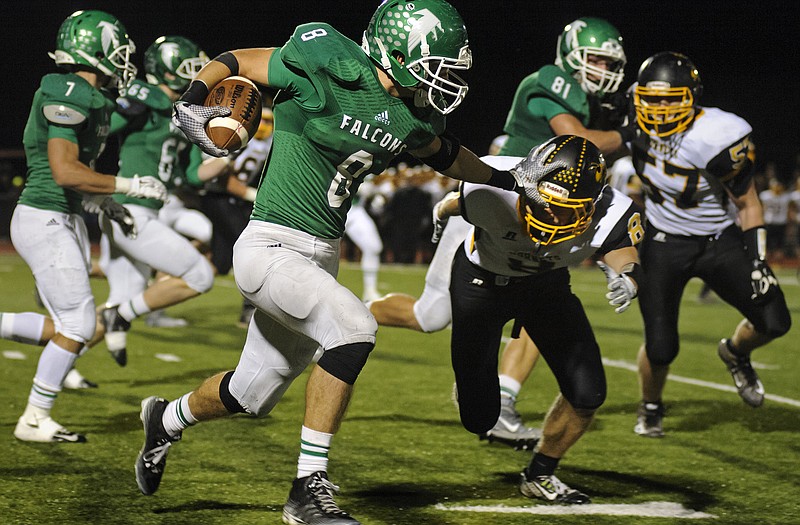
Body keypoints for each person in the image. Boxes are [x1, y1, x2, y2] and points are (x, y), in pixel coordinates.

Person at [134, 2, 535, 523]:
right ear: (397, 50)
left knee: (251, 394)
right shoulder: (329, 59)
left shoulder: (411, 114)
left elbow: (445, 154)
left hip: (321, 256)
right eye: (437, 64)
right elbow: (237, 59)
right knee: (353, 327)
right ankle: (307, 487)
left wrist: (505, 178)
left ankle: (166, 418)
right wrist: (191, 98)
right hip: (270, 244)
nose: (444, 80)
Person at [442, 135, 643, 503]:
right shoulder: (493, 188)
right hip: (480, 284)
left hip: (544, 286)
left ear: (593, 205)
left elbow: (622, 248)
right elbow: (456, 203)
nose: (550, 214)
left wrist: (627, 276)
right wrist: (442, 215)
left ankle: (540, 474)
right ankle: (473, 384)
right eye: (541, 200)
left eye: (566, 210)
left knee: (588, 393)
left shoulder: (612, 211)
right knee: (479, 417)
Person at [9, 10, 167, 443]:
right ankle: (34, 418)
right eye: (116, 49)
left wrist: (104, 201)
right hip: (45, 215)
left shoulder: (92, 98)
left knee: (66, 327)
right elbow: (63, 171)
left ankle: (37, 415)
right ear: (93, 50)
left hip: (65, 215)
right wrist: (130, 183)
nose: (122, 59)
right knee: (78, 326)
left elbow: (76, 175)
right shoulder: (68, 89)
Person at [627, 52, 792, 438]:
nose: (661, 109)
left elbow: (748, 202)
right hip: (664, 242)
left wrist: (759, 261)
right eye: (653, 98)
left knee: (775, 321)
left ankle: (735, 352)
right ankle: (650, 405)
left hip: (719, 239)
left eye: (672, 98)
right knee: (661, 346)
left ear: (693, 96)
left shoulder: (719, 135)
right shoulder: (628, 123)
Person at [98, 35, 228, 367]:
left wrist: (227, 154)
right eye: (189, 69)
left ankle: (62, 361)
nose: (197, 76)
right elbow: (101, 126)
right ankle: (121, 316)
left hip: (148, 212)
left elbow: (190, 177)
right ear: (167, 70)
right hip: (128, 208)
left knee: (122, 295)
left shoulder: (179, 116)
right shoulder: (147, 99)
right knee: (201, 276)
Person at [200, 105, 272, 327]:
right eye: (262, 121)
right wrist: (255, 195)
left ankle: (170, 282)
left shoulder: (270, 143)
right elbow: (224, 180)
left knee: (218, 265)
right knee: (253, 248)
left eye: (270, 122)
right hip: (218, 198)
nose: (266, 127)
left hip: (235, 202)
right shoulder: (234, 135)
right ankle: (249, 310)